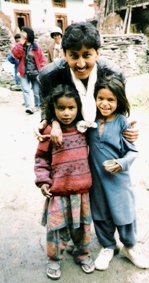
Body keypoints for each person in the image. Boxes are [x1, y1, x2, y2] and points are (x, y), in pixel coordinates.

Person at [35, 21, 138, 145]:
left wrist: (127, 128)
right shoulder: (49, 76)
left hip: (102, 134)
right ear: (64, 54)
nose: (81, 64)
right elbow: (48, 110)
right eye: (74, 56)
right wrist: (47, 123)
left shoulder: (113, 74)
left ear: (97, 53)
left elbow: (119, 110)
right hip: (69, 135)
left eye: (87, 55)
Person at [87, 75, 149, 271]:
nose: (104, 104)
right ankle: (108, 247)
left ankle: (130, 247)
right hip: (96, 179)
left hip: (118, 179)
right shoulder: (89, 120)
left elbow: (132, 152)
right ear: (94, 99)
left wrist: (120, 164)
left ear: (119, 101)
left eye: (111, 100)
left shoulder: (122, 122)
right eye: (100, 98)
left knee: (124, 213)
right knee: (101, 213)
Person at [34, 84, 95, 280]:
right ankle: (54, 258)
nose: (66, 113)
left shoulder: (84, 129)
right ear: (53, 109)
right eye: (61, 108)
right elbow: (41, 159)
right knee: (57, 228)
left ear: (79, 108)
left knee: (82, 227)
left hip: (81, 190)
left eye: (71, 108)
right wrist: (43, 180)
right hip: (58, 191)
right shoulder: (50, 132)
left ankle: (81, 253)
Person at [12, 26, 46, 114]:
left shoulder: (35, 46)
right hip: (24, 72)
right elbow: (16, 56)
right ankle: (29, 107)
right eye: (21, 32)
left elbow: (42, 59)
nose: (21, 34)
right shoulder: (19, 45)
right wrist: (20, 44)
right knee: (25, 89)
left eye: (23, 32)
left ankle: (37, 106)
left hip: (35, 72)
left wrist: (41, 68)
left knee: (36, 91)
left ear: (28, 34)